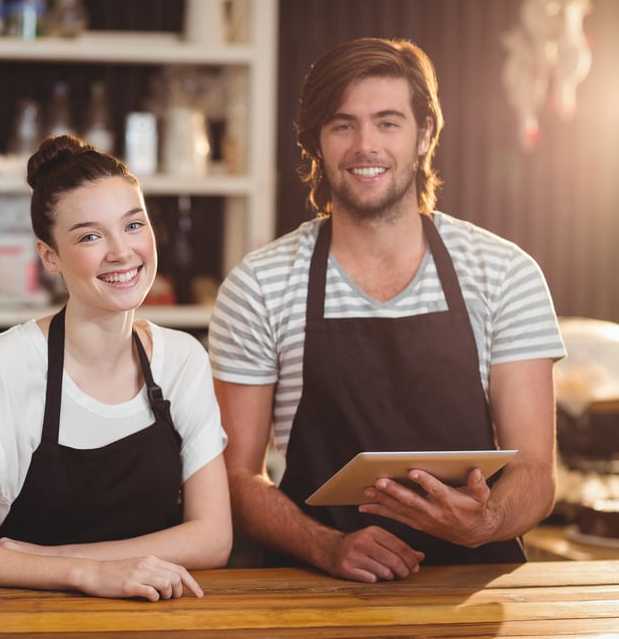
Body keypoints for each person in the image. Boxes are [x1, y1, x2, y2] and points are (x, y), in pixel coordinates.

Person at [208, 37, 566, 583]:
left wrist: (486, 520)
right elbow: (235, 477)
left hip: (469, 587)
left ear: (424, 134)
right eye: (343, 124)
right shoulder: (259, 285)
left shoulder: (504, 273)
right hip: (315, 586)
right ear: (316, 142)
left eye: (388, 123)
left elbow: (536, 472)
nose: (365, 146)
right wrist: (327, 548)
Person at [0, 135, 232, 601]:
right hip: (26, 628)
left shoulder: (182, 360)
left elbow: (212, 537)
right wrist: (88, 575)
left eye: (133, 225)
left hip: (158, 625)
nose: (122, 252)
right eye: (89, 236)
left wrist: (58, 558)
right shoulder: (6, 363)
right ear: (50, 257)